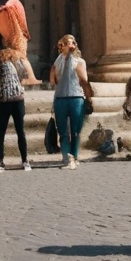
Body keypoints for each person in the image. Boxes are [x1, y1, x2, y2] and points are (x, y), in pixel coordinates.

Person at [0, 39, 39, 172]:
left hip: (5, 100)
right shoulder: (17, 62)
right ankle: (24, 160)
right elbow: (25, 78)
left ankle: (2, 161)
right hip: (17, 99)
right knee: (19, 131)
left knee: (1, 131)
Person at [49, 34, 94, 170]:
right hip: (61, 98)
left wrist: (89, 97)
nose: (70, 45)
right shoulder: (57, 61)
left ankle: (74, 155)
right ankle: (66, 157)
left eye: (72, 43)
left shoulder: (80, 61)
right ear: (61, 46)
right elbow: (52, 81)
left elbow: (84, 79)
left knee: (75, 130)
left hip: (76, 97)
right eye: (67, 43)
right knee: (62, 131)